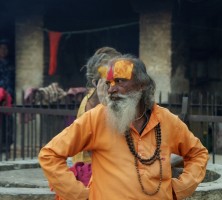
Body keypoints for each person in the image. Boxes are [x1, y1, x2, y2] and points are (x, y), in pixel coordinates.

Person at [38, 54, 209, 200]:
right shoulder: (96, 118)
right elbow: (49, 155)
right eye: (109, 83)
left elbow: (198, 154)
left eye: (119, 81)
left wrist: (178, 189)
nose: (112, 89)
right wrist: (81, 195)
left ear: (142, 85)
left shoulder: (166, 120)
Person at [72, 46, 121, 164]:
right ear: (96, 83)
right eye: (110, 81)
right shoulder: (91, 104)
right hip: (90, 166)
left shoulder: (111, 98)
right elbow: (92, 147)